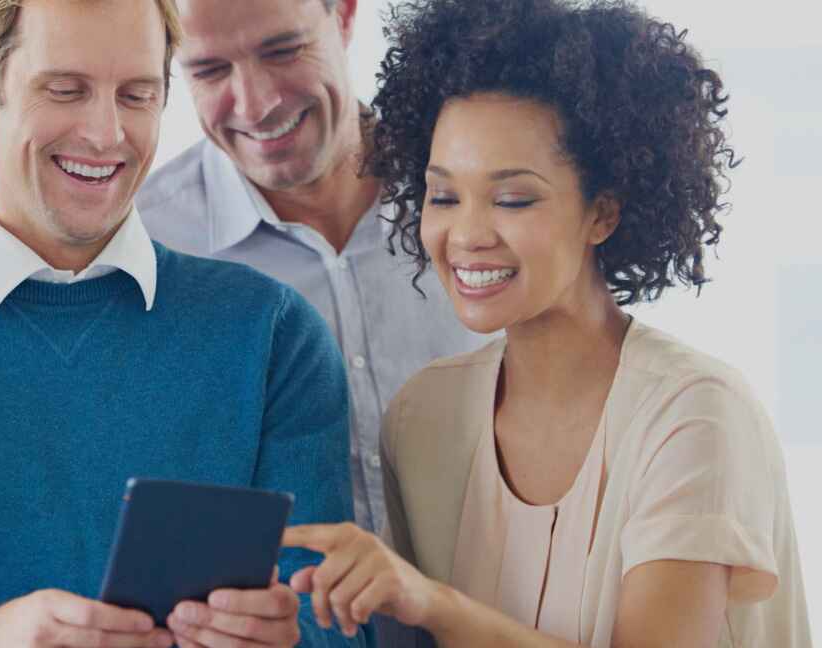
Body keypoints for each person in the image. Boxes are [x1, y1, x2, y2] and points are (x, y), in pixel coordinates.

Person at [0, 1, 364, 647]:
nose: (106, 134)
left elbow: (333, 622)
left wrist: (287, 638)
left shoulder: (274, 337)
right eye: (66, 90)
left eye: (137, 95)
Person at [278, 0, 812, 646]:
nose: (466, 234)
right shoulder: (423, 417)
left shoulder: (694, 415)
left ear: (603, 213)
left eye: (512, 198)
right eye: (443, 195)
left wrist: (433, 604)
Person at [137, 0, 487, 536]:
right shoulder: (144, 254)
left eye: (282, 50)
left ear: (344, 16)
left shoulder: (483, 190)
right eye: (209, 70)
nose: (256, 106)